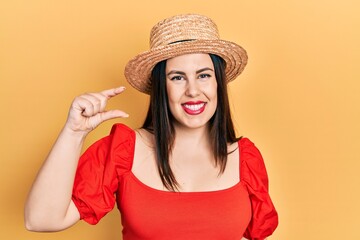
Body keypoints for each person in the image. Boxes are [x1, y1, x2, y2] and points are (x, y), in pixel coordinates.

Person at [24, 14, 278, 239]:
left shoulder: (246, 158)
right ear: (161, 87)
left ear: (218, 83)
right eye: (177, 77)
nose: (193, 90)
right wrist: (74, 132)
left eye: (204, 75)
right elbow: (40, 220)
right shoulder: (122, 150)